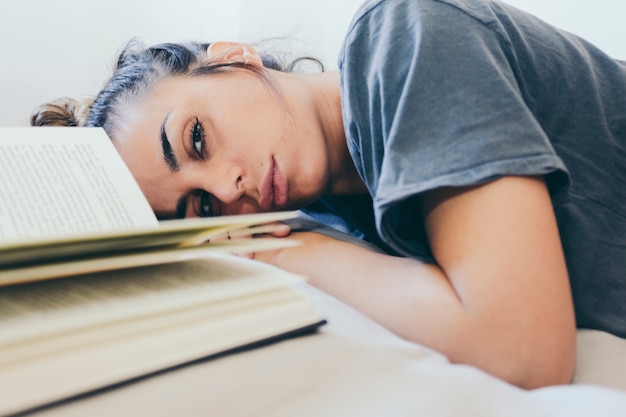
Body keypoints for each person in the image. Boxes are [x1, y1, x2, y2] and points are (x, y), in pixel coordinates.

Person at [31, 0, 626, 389]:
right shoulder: (335, 208)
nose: (226, 189)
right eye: (201, 207)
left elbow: (521, 352)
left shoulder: (404, 33)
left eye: (195, 139)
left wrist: (290, 252)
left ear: (233, 59)